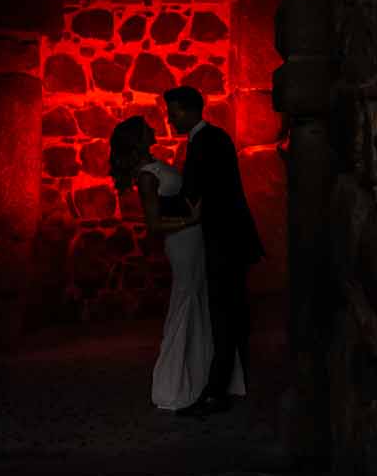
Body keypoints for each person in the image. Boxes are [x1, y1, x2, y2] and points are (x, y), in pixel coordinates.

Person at [108, 114, 244, 413]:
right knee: (186, 300)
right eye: (147, 128)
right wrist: (191, 219)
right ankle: (173, 383)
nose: (154, 127)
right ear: (138, 138)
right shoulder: (146, 175)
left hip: (193, 237)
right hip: (182, 241)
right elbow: (154, 224)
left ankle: (198, 378)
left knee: (199, 300)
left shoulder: (154, 166)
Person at [166, 85, 262, 416]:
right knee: (229, 311)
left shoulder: (206, 142)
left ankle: (216, 391)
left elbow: (195, 191)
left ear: (191, 110)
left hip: (224, 240)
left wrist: (155, 201)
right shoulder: (214, 138)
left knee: (224, 312)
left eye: (174, 111)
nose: (170, 118)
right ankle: (226, 383)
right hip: (228, 237)